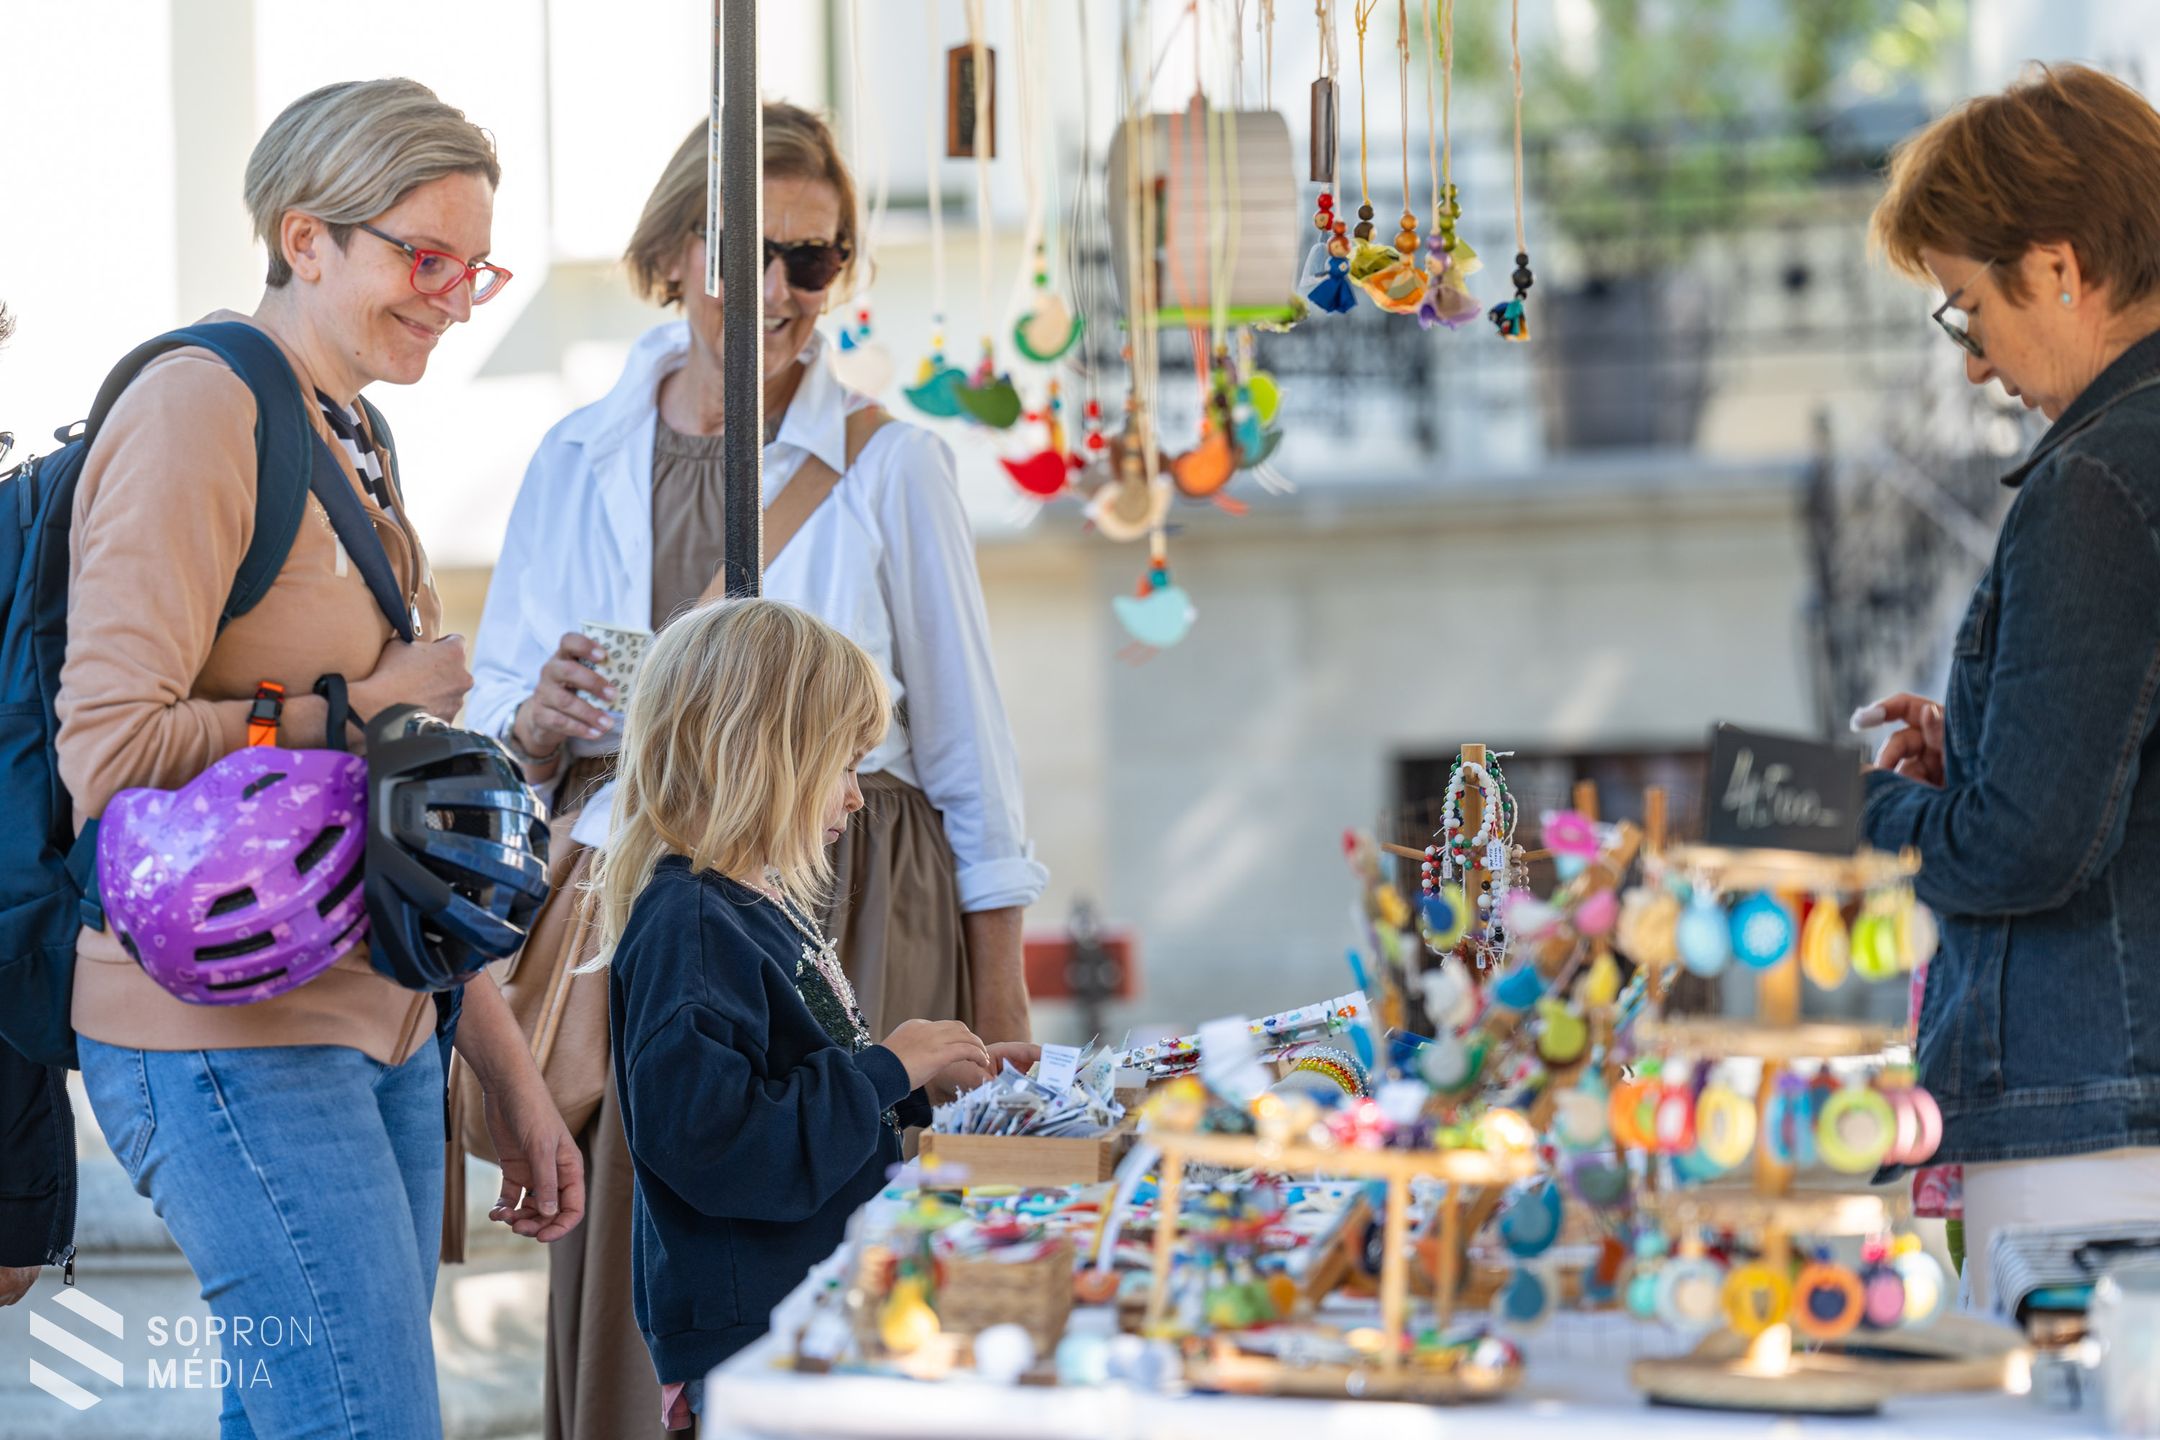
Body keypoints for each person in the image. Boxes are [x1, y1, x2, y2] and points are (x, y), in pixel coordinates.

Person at [469, 103, 1046, 1435]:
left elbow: (972, 750)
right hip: (636, 892)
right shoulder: (575, 456)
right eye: (750, 253)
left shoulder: (893, 464)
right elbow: (496, 709)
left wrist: (1001, 997)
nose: (782, 289)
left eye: (815, 257)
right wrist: (540, 717)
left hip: (860, 887)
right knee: (668, 1206)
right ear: (677, 250)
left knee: (849, 1227)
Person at [57, 80, 583, 1435]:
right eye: (426, 258)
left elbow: (398, 822)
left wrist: (510, 1081)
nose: (456, 299)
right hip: (230, 1034)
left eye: (476, 269)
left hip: (376, 1015)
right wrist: (364, 705)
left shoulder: (353, 432)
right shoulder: (200, 408)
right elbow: (110, 748)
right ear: (306, 238)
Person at [1862, 61, 2160, 1313]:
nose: (1976, 365)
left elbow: (2028, 846)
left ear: (2057, 266)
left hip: (2097, 1122)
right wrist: (1985, 742)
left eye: (1967, 311)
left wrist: (1856, 807)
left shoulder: (2097, 483)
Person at [590, 597, 1035, 1427]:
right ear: (763, 755)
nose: (858, 798)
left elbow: (798, 1085)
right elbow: (718, 1145)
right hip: (756, 1336)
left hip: (806, 1305)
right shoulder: (690, 926)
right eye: (845, 766)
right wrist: (886, 1068)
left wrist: (926, 1089)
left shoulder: (751, 907)